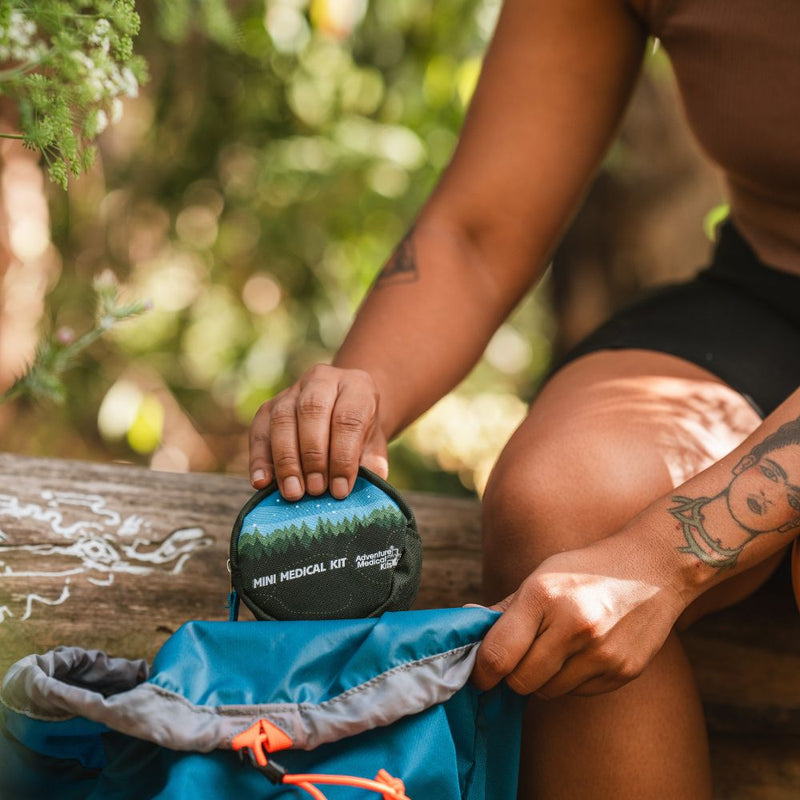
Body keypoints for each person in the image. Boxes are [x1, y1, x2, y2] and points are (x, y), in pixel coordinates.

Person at [249, 0, 800, 796]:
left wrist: (664, 560)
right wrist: (361, 393)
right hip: (766, 284)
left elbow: (658, 558)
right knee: (562, 505)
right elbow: (480, 229)